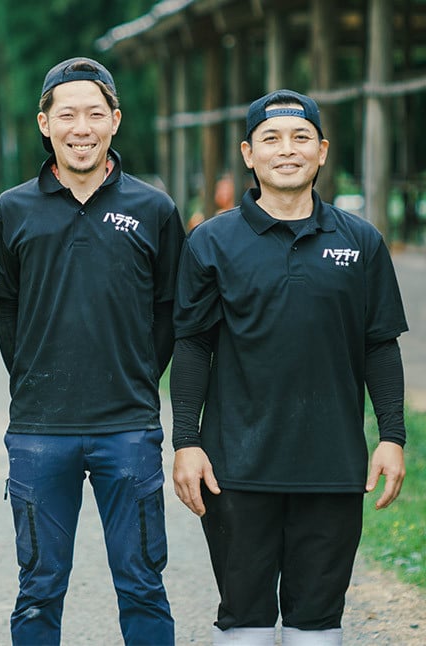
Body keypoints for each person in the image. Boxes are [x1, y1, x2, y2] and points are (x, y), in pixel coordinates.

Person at [170, 89, 408, 645]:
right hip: (236, 470)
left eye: (301, 138)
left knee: (318, 626)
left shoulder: (361, 242)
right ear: (248, 154)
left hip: (332, 467)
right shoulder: (211, 242)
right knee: (245, 623)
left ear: (321, 151)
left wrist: (392, 436)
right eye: (271, 139)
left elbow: (380, 345)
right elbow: (193, 347)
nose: (287, 150)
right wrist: (186, 440)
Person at [0, 57, 183, 645]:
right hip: (40, 429)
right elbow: (8, 309)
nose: (82, 127)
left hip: (129, 425)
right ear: (44, 123)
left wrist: (143, 373)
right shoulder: (11, 210)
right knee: (39, 587)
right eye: (66, 114)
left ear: (115, 121)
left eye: (95, 113)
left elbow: (169, 310)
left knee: (142, 582)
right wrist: (33, 378)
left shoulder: (154, 209)